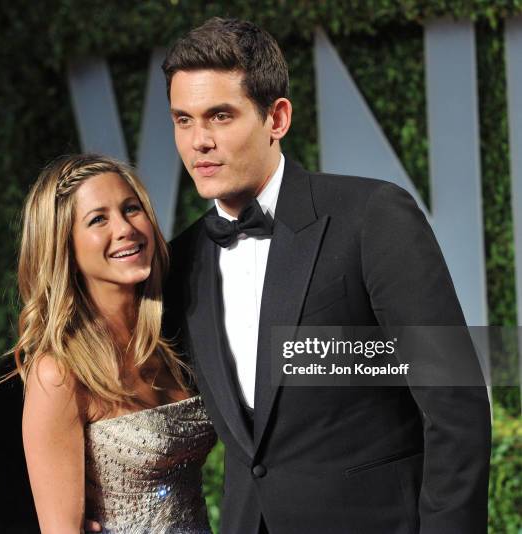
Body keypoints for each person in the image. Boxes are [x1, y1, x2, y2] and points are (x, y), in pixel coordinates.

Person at [158, 18, 490, 534]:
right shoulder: (180, 262)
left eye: (220, 116)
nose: (199, 141)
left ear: (278, 118)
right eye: (183, 120)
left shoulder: (372, 217)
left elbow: (455, 404)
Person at [10, 154, 216, 534]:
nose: (125, 228)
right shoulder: (59, 374)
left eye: (131, 209)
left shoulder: (176, 340)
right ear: (64, 248)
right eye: (98, 219)